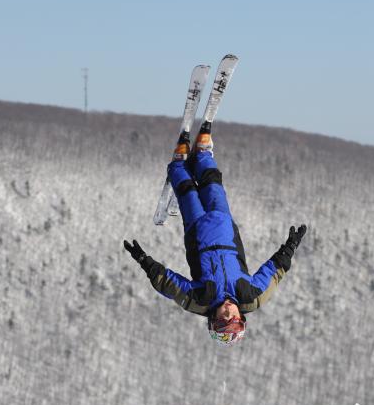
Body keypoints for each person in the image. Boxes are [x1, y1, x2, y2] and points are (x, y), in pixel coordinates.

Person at [124, 123, 306, 344]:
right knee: (212, 184)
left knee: (187, 191)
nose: (229, 312)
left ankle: (179, 165)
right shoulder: (251, 296)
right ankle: (202, 154)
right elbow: (274, 272)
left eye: (223, 318)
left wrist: (144, 261)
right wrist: (290, 246)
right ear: (242, 318)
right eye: (234, 318)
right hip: (224, 227)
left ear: (213, 319)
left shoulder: (201, 301)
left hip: (198, 231)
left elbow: (170, 285)